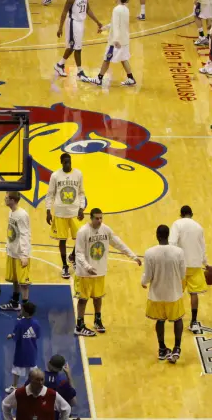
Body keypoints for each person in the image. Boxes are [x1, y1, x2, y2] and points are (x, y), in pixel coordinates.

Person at [74, 208, 140, 336]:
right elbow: (79, 253)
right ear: (91, 218)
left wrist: (133, 256)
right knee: (83, 299)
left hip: (100, 271)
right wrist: (87, 267)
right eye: (97, 218)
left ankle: (97, 320)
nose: (99, 221)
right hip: (84, 273)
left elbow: (118, 243)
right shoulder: (83, 232)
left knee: (98, 297)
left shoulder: (106, 229)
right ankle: (79, 325)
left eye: (101, 218)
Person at [141, 224, 186, 363]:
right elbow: (183, 274)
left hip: (157, 294)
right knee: (177, 319)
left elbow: (148, 276)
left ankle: (161, 348)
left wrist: (143, 282)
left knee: (160, 320)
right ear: (168, 235)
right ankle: (177, 348)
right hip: (174, 293)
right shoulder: (178, 252)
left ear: (157, 235)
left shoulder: (149, 253)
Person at [53, 0, 103, 80]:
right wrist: (60, 27)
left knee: (74, 47)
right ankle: (80, 71)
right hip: (73, 23)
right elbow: (64, 12)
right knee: (75, 48)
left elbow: (88, 9)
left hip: (81, 23)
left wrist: (97, 22)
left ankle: (60, 65)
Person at [44, 153, 84, 280]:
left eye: (69, 162)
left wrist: (82, 208)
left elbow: (82, 193)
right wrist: (48, 211)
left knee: (80, 238)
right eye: (65, 162)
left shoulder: (78, 174)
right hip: (60, 212)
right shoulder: (55, 176)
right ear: (61, 163)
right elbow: (50, 194)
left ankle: (72, 256)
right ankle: (65, 265)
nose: (68, 164)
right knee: (62, 240)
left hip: (74, 212)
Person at [168, 206, 207, 334]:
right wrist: (206, 264)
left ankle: (176, 317)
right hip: (195, 264)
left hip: (181, 264)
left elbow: (172, 243)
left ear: (181, 214)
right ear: (192, 214)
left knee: (177, 293)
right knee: (194, 293)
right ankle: (194, 322)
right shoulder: (199, 227)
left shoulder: (177, 224)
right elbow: (203, 247)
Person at [89, 0, 134, 87]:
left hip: (116, 41)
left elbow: (116, 26)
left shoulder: (116, 9)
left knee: (107, 58)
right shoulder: (126, 9)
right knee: (124, 58)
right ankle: (131, 78)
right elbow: (115, 24)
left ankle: (99, 79)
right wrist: (103, 28)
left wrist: (116, 40)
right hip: (125, 39)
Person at [0, 192, 31, 312]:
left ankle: (25, 308)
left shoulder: (22, 215)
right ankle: (15, 303)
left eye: (6, 198)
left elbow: (25, 234)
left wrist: (24, 255)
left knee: (23, 283)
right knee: (15, 279)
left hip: (20, 254)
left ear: (12, 200)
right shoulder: (11, 212)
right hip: (12, 251)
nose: (5, 199)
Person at [1, 367, 71, 420]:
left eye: (42, 379)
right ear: (30, 380)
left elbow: (66, 409)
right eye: (37, 380)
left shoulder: (52, 394)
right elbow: (5, 404)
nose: (40, 383)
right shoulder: (19, 393)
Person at [5, 301, 39, 393]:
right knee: (32, 370)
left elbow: (16, 337)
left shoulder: (20, 323)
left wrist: (11, 335)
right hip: (32, 351)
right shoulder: (36, 323)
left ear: (26, 312)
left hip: (21, 351)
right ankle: (34, 387)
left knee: (17, 369)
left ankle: (14, 387)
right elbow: (37, 336)